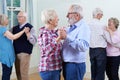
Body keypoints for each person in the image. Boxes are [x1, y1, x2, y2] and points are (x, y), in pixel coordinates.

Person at [62, 4, 91, 80]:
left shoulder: (84, 27)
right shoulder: (72, 27)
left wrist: (67, 37)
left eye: (69, 14)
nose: (66, 16)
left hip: (75, 65)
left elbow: (84, 46)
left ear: (77, 15)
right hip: (68, 64)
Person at [38, 9, 64, 80]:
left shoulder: (53, 32)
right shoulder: (45, 33)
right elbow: (47, 51)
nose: (58, 19)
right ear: (50, 21)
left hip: (55, 69)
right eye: (56, 17)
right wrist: (59, 38)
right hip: (49, 70)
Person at [0, 14, 28, 80]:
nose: (8, 20)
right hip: (6, 55)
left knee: (6, 72)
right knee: (7, 73)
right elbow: (13, 37)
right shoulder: (3, 30)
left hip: (4, 53)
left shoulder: (3, 29)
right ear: (3, 21)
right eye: (7, 19)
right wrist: (23, 31)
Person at [12, 11, 37, 80]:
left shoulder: (30, 27)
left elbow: (34, 42)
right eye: (18, 16)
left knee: (23, 72)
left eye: (20, 16)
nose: (18, 18)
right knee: (18, 72)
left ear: (25, 18)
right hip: (16, 52)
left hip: (25, 53)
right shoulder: (14, 28)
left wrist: (28, 33)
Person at [88, 8, 107, 80]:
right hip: (100, 50)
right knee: (100, 71)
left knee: (93, 70)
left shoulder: (88, 24)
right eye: (101, 15)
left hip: (91, 49)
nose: (102, 16)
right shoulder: (102, 25)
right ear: (98, 15)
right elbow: (107, 37)